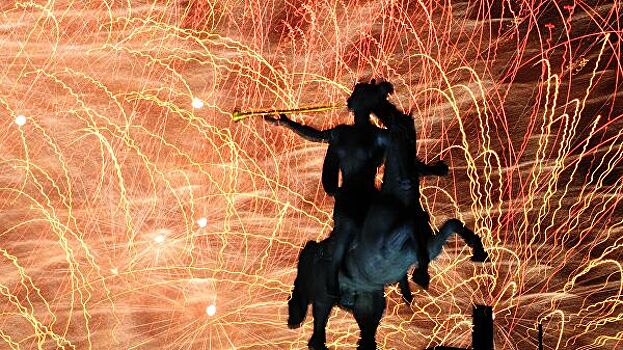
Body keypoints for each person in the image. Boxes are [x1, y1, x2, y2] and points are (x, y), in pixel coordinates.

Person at [264, 81, 392, 301]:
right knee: (349, 226)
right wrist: (287, 124)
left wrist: (428, 169)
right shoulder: (344, 134)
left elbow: (402, 158)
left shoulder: (380, 136)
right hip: (349, 198)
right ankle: (333, 272)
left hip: (371, 198)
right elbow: (314, 135)